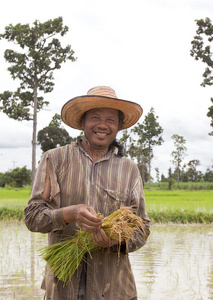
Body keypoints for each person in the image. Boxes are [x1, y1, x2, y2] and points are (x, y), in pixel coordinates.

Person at [24, 86, 150, 300]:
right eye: (95, 117)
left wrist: (116, 240)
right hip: (64, 288)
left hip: (114, 290)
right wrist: (69, 213)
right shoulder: (55, 159)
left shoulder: (128, 169)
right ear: (83, 122)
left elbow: (142, 228)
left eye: (111, 120)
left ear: (119, 126)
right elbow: (32, 217)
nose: (103, 125)